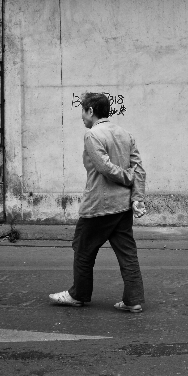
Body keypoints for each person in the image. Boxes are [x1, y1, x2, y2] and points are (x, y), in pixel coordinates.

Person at [49, 92, 146, 312]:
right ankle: (133, 300)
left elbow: (104, 168)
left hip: (99, 205)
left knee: (82, 248)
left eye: (83, 111)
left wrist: (127, 177)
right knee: (127, 253)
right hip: (122, 206)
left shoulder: (92, 135)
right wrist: (137, 197)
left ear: (91, 111)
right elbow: (139, 169)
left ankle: (78, 295)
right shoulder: (125, 134)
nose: (82, 116)